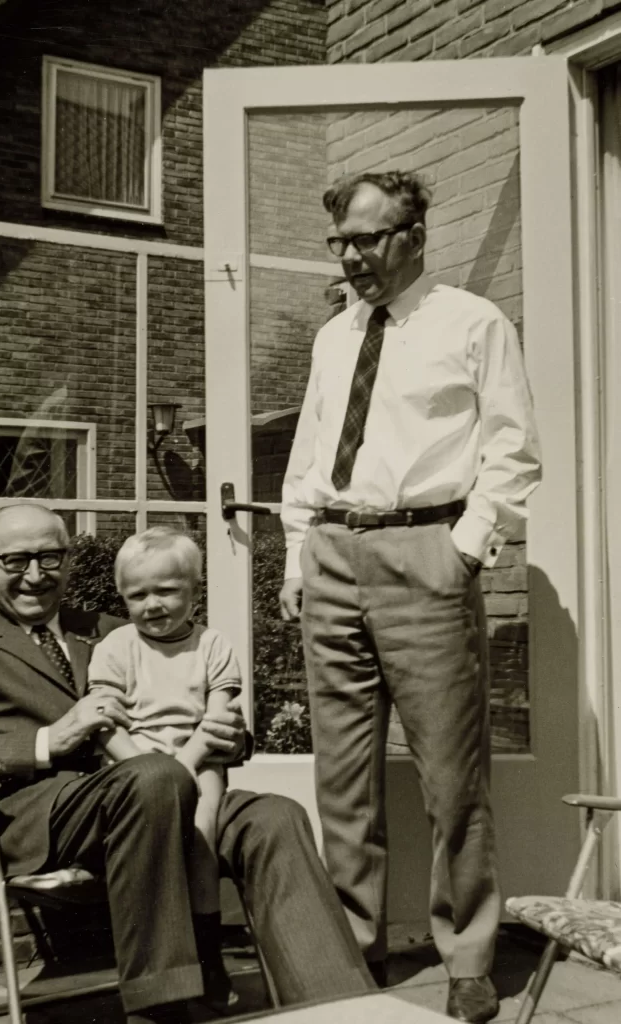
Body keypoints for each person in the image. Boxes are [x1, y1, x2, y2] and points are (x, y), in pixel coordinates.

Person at [0, 503, 373, 1024]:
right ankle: (162, 1008)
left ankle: (337, 1008)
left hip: (165, 788)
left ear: (70, 562)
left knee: (273, 817)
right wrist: (48, 740)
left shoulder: (113, 627)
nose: (35, 575)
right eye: (15, 560)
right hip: (45, 817)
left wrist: (229, 735)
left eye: (49, 557)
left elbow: (193, 700)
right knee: (154, 778)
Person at [279, 171, 542, 1024]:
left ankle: (466, 952)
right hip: (331, 554)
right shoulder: (331, 338)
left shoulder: (471, 322)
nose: (351, 257)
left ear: (415, 236)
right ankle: (353, 947)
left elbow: (512, 448)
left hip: (424, 550)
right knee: (342, 777)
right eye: (339, 244)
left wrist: (461, 550)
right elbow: (311, 452)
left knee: (449, 776)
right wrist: (295, 553)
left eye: (367, 239)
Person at [87, 527, 240, 1011]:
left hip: (202, 759)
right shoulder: (115, 647)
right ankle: (164, 971)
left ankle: (209, 953)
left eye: (167, 591)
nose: (152, 604)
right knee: (154, 844)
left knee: (199, 841)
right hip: (136, 765)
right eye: (138, 595)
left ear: (195, 589)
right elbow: (104, 724)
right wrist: (151, 768)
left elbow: (220, 719)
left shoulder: (212, 646)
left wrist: (184, 766)